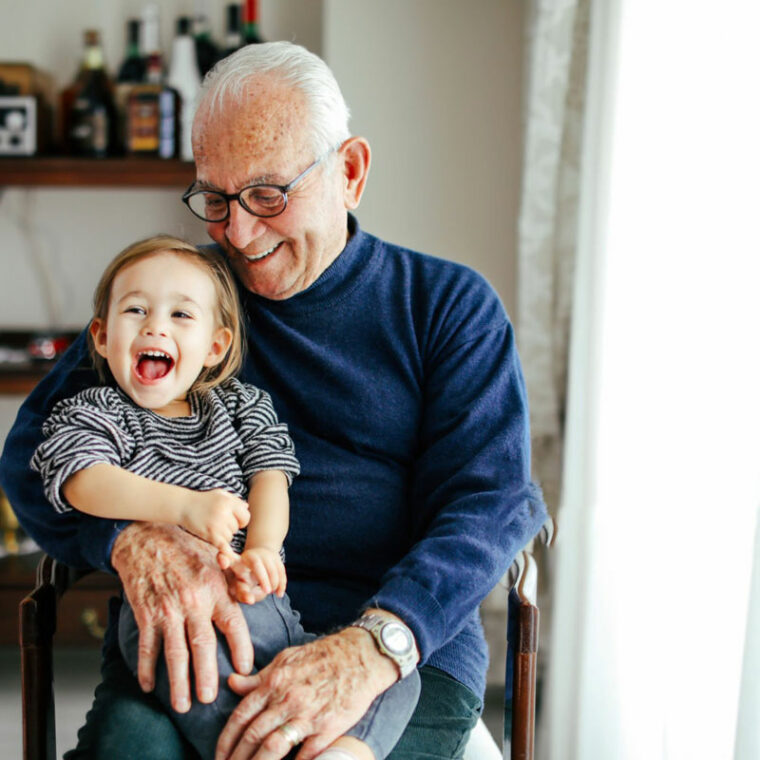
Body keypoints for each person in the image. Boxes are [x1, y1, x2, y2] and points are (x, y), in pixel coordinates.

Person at [0, 41, 547, 760]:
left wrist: (373, 646)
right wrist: (129, 537)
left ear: (349, 173)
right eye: (216, 200)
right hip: (196, 629)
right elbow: (34, 454)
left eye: (267, 195)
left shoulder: (447, 306)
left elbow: (491, 501)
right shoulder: (182, 301)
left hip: (392, 646)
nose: (240, 235)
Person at [28, 235, 420, 760]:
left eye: (181, 315)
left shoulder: (240, 406)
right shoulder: (98, 411)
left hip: (269, 611)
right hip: (170, 616)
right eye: (136, 309)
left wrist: (261, 547)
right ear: (100, 336)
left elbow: (272, 478)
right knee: (197, 678)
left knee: (397, 675)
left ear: (215, 346)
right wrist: (184, 507)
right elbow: (82, 479)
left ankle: (345, 752)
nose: (155, 326)